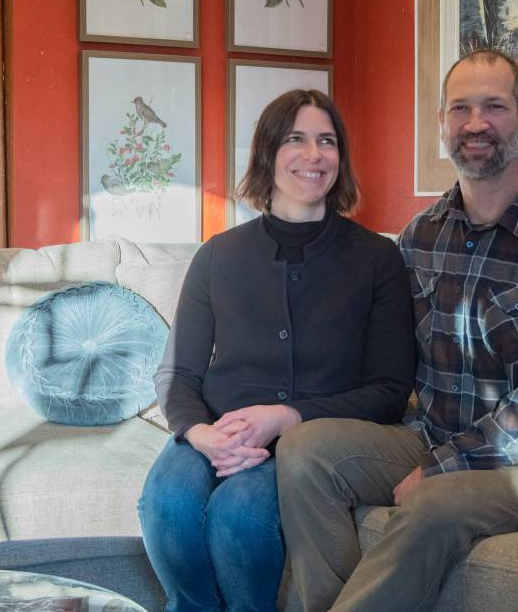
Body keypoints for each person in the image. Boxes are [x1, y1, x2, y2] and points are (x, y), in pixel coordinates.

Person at [276, 49, 518, 612]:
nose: (476, 123)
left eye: (494, 107)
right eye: (461, 109)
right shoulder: (420, 235)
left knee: (434, 502)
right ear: (443, 124)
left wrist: (445, 466)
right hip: (431, 433)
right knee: (307, 450)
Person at [138, 89, 416, 612]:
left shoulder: (377, 259)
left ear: (341, 158)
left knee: (239, 515)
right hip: (216, 430)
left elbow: (390, 392)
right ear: (268, 153)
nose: (313, 155)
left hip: (308, 441)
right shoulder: (218, 255)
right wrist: (200, 435)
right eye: (296, 139)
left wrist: (285, 417)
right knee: (167, 503)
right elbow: (177, 373)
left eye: (326, 141)